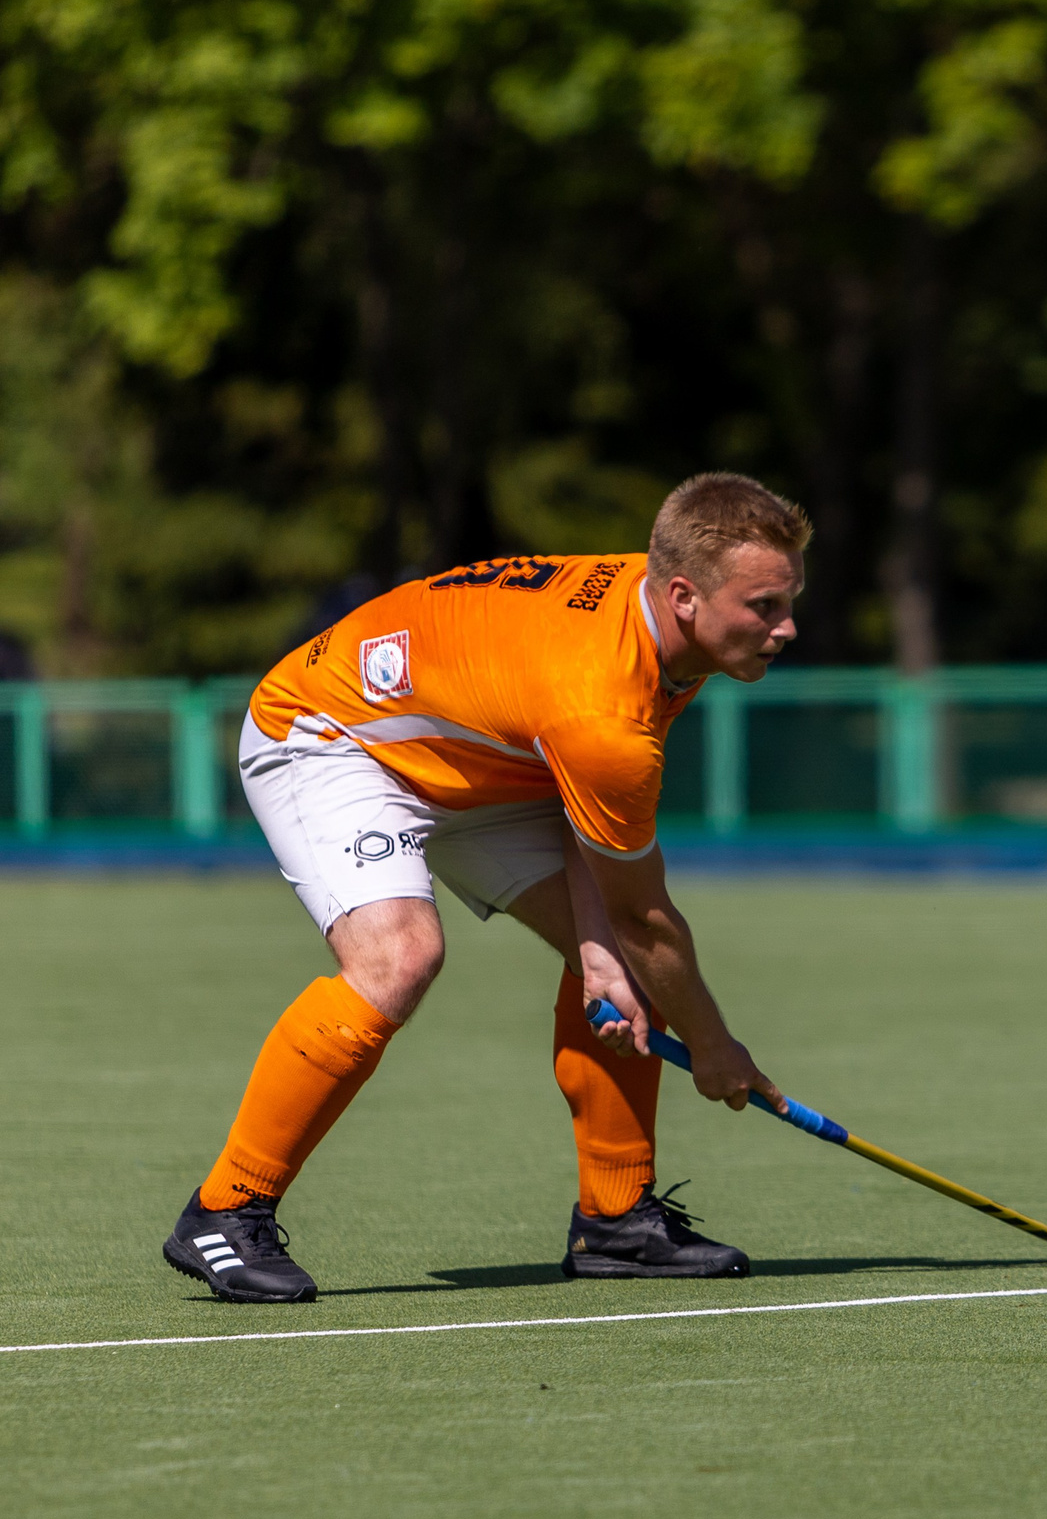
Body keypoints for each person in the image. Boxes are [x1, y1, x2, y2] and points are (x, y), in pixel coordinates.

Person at [163, 473, 809, 1303]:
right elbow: (645, 912)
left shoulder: (660, 614)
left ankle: (616, 1220)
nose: (786, 627)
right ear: (683, 595)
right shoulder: (600, 700)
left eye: (788, 600)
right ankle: (225, 1207)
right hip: (334, 732)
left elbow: (601, 845)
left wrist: (603, 950)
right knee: (400, 956)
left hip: (482, 755)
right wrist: (715, 1049)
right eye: (764, 607)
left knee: (618, 963)